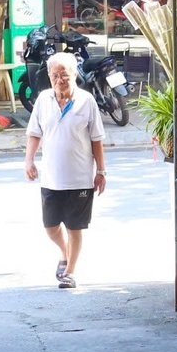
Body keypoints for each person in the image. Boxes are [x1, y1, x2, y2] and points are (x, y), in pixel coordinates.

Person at [24, 51, 107, 289]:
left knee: (75, 227)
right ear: (49, 76)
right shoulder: (42, 100)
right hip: (51, 177)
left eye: (65, 74)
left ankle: (70, 272)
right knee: (50, 227)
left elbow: (97, 139)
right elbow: (34, 133)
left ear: (75, 75)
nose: (60, 79)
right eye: (55, 75)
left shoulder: (86, 101)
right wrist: (29, 161)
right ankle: (64, 252)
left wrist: (101, 172)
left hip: (80, 178)